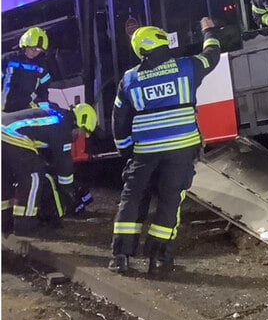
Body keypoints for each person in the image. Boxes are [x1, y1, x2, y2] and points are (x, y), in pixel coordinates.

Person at [108, 19, 220, 276]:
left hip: (144, 152)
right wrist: (209, 31)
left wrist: (126, 151)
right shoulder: (187, 67)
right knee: (170, 201)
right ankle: (158, 261)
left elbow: (119, 120)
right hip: (181, 150)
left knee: (132, 199)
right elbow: (212, 56)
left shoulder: (129, 79)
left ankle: (120, 258)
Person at [1, 103, 98, 235]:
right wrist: (67, 190)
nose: (78, 137)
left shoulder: (55, 116)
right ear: (80, 121)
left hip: (4, 131)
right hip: (12, 134)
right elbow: (64, 164)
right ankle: (25, 224)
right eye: (81, 132)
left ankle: (4, 221)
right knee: (33, 174)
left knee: (5, 178)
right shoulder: (64, 127)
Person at [2, 27, 54, 112]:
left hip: (24, 111)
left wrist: (45, 109)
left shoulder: (41, 67)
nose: (34, 52)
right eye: (32, 48)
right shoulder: (7, 60)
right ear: (24, 45)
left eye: (38, 50)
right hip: (3, 111)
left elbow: (43, 90)